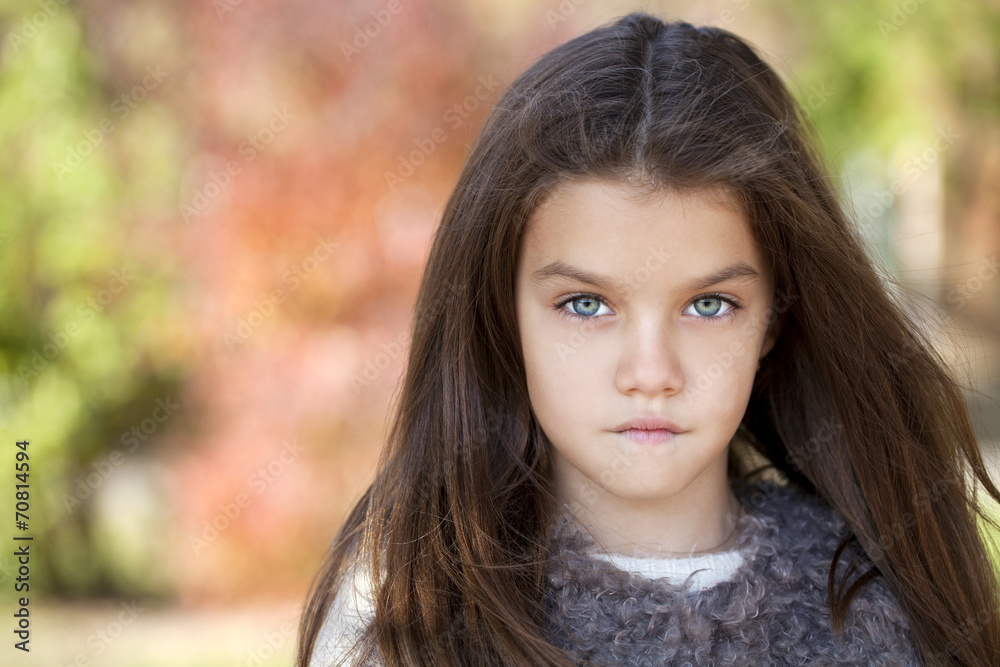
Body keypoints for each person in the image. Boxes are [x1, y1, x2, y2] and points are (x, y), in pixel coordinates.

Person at [296, 11, 1000, 666]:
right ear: (502, 315)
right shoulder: (400, 623)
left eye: (709, 304)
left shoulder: (884, 613)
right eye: (584, 304)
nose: (650, 370)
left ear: (775, 318)